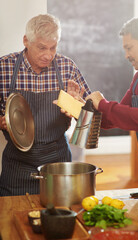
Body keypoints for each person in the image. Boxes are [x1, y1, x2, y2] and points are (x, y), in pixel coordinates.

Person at [0, 14, 91, 196]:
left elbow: (89, 123)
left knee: (59, 218)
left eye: (53, 47)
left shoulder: (67, 67)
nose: (48, 55)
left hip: (57, 162)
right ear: (26, 41)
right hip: (17, 164)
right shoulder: (4, 67)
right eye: (42, 48)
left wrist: (78, 109)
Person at [67, 17, 138, 190]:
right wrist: (83, 108)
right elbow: (112, 119)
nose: (126, 55)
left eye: (129, 47)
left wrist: (103, 104)